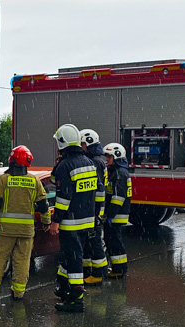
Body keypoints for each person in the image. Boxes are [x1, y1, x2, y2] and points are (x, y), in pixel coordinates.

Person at [0, 145, 51, 300]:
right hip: (26, 231)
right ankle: (18, 292)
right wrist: (46, 221)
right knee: (22, 260)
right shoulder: (34, 181)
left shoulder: (4, 179)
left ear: (12, 160)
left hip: (6, 230)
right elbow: (43, 205)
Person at [49, 124, 97, 313]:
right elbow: (96, 192)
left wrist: (55, 221)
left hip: (71, 222)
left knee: (74, 259)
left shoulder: (65, 166)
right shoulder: (89, 162)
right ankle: (65, 288)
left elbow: (63, 198)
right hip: (87, 220)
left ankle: (76, 300)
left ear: (62, 143)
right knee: (71, 257)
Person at [80, 129, 109, 285]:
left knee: (95, 242)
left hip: (95, 210)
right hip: (94, 209)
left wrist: (98, 213)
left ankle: (98, 275)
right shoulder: (97, 159)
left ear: (89, 143)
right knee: (91, 243)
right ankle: (95, 271)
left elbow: (99, 190)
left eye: (83, 144)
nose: (81, 147)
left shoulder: (96, 161)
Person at [103, 143, 131, 278]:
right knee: (111, 241)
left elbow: (118, 197)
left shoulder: (120, 173)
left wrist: (110, 215)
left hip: (116, 215)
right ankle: (117, 268)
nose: (107, 159)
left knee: (115, 242)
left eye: (109, 156)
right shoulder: (117, 171)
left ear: (117, 156)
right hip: (115, 214)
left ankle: (119, 270)